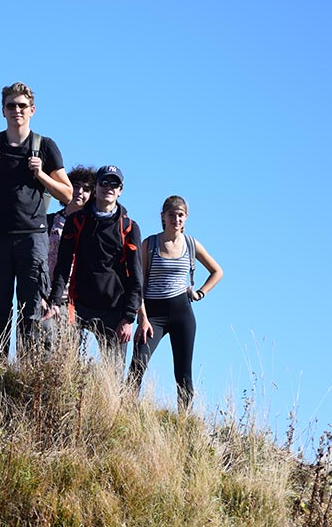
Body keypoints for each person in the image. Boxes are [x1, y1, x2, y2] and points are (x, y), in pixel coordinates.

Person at [0, 82, 72, 355]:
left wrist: (41, 175)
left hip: (32, 236)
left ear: (32, 110)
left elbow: (68, 193)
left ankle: (30, 369)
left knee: (32, 306)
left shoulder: (45, 146)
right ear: (2, 110)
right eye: (11, 106)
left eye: (22, 106)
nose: (17, 110)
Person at [127, 195, 223, 410]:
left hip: (182, 313)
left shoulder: (191, 244)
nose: (176, 219)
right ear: (163, 216)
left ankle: (184, 422)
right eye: (172, 215)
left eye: (180, 215)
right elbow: (138, 283)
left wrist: (201, 293)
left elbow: (217, 271)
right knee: (138, 363)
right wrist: (142, 317)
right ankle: (124, 410)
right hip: (153, 314)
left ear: (186, 218)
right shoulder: (150, 243)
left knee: (183, 373)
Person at [46, 165, 142, 369]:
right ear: (96, 187)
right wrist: (55, 301)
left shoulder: (129, 227)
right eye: (104, 182)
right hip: (79, 306)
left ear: (120, 190)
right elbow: (63, 265)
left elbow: (136, 277)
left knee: (113, 374)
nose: (108, 187)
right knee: (66, 368)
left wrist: (128, 317)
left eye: (114, 184)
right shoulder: (77, 221)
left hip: (114, 309)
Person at [46, 165, 98, 324]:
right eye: (76, 186)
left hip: (76, 300)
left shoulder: (92, 227)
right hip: (45, 293)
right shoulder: (49, 221)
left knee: (70, 346)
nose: (80, 192)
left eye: (86, 189)